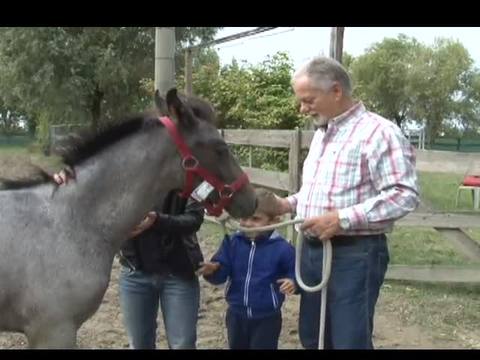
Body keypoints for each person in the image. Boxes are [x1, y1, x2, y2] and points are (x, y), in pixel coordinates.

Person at [272, 56, 420, 349]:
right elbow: (321, 194)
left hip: (354, 255)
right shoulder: (322, 134)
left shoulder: (379, 133)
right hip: (313, 252)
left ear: (336, 91)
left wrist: (342, 219)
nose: (302, 108)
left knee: (348, 341)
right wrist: (287, 204)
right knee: (314, 337)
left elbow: (405, 194)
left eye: (308, 100)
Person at [53, 171, 205, 349]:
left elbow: (194, 219)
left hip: (180, 274)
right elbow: (92, 181)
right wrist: (70, 178)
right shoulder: (123, 168)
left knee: (183, 344)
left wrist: (157, 220)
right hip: (135, 274)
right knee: (139, 344)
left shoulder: (189, 172)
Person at [201, 188, 296, 350]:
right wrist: (212, 271)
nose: (247, 223)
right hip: (236, 314)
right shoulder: (232, 242)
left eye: (255, 219)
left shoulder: (283, 248)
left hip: (267, 318)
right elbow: (221, 273)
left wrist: (292, 281)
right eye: (244, 218)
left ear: (274, 221)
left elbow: (294, 272)